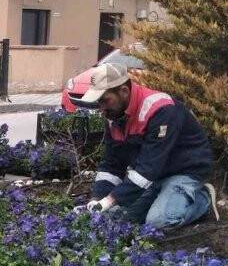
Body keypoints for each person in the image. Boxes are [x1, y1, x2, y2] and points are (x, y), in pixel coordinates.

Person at [72, 62, 218, 228]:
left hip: (185, 171)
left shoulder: (161, 110)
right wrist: (96, 199)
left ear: (124, 91)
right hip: (155, 176)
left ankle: (202, 199)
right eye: (99, 102)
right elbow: (111, 165)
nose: (102, 109)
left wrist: (110, 200)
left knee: (158, 221)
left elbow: (148, 168)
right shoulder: (114, 115)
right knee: (119, 216)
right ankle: (165, 197)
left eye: (105, 100)